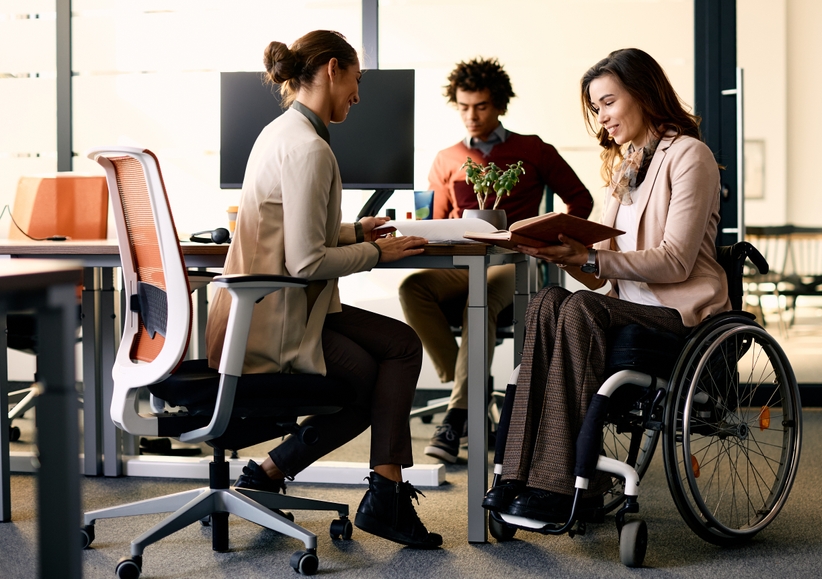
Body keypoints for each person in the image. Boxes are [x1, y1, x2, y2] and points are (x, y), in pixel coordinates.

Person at [205, 30, 442, 548]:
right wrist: (378, 254)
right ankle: (385, 496)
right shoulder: (310, 149)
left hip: (268, 305)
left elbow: (295, 234)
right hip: (278, 318)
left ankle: (275, 475)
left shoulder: (280, 132)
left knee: (398, 349)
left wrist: (357, 232)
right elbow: (307, 259)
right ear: (333, 70)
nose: (358, 96)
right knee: (378, 375)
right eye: (356, 81)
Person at [481, 48, 731, 523]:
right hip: (625, 306)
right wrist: (560, 253)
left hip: (678, 315)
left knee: (578, 311)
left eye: (608, 103)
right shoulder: (626, 166)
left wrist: (591, 256)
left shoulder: (689, 156)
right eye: (596, 109)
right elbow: (603, 267)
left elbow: (676, 261)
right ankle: (516, 474)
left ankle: (559, 486)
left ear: (643, 93)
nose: (602, 119)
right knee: (549, 300)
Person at [398, 57, 593, 463]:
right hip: (461, 265)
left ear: (500, 105)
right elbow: (437, 218)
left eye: (481, 106)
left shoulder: (533, 149)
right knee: (412, 287)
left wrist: (545, 237)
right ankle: (471, 394)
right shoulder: (446, 158)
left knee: (481, 296)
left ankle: (456, 416)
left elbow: (581, 200)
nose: (471, 116)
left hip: (515, 263)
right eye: (464, 107)